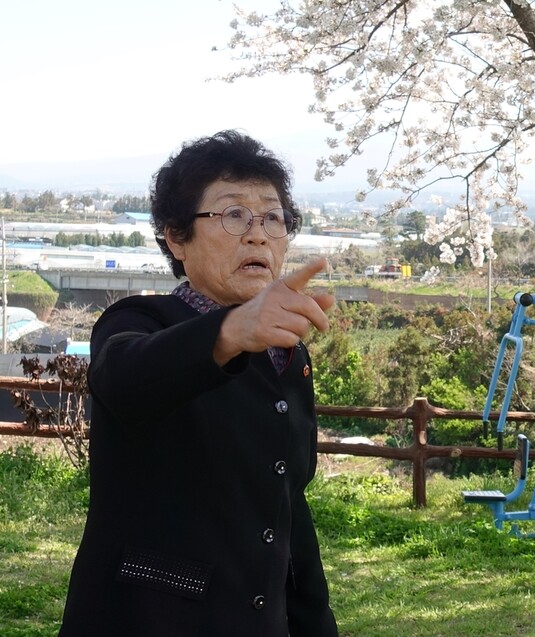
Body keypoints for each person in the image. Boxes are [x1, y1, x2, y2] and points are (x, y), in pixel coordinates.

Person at [59, 130, 340, 637]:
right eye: (233, 215)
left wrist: (313, 622)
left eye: (272, 218)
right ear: (176, 236)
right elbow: (124, 376)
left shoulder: (288, 354)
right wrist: (232, 330)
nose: (257, 235)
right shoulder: (139, 322)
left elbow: (287, 509)